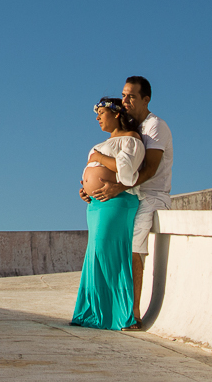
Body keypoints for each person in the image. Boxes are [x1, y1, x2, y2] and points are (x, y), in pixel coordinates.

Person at [83, 76, 172, 327]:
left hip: (151, 196)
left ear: (146, 99)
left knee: (133, 250)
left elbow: (151, 169)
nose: (126, 100)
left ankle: (133, 314)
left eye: (132, 96)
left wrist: (118, 186)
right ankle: (108, 310)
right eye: (124, 95)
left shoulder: (155, 127)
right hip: (129, 195)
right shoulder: (132, 127)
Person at [71, 97, 144, 330]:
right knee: (94, 254)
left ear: (116, 114)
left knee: (108, 251)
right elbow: (93, 170)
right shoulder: (102, 142)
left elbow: (127, 171)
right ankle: (95, 313)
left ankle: (123, 314)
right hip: (95, 205)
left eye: (101, 112)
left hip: (117, 201)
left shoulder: (131, 139)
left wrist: (99, 158)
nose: (98, 117)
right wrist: (86, 190)